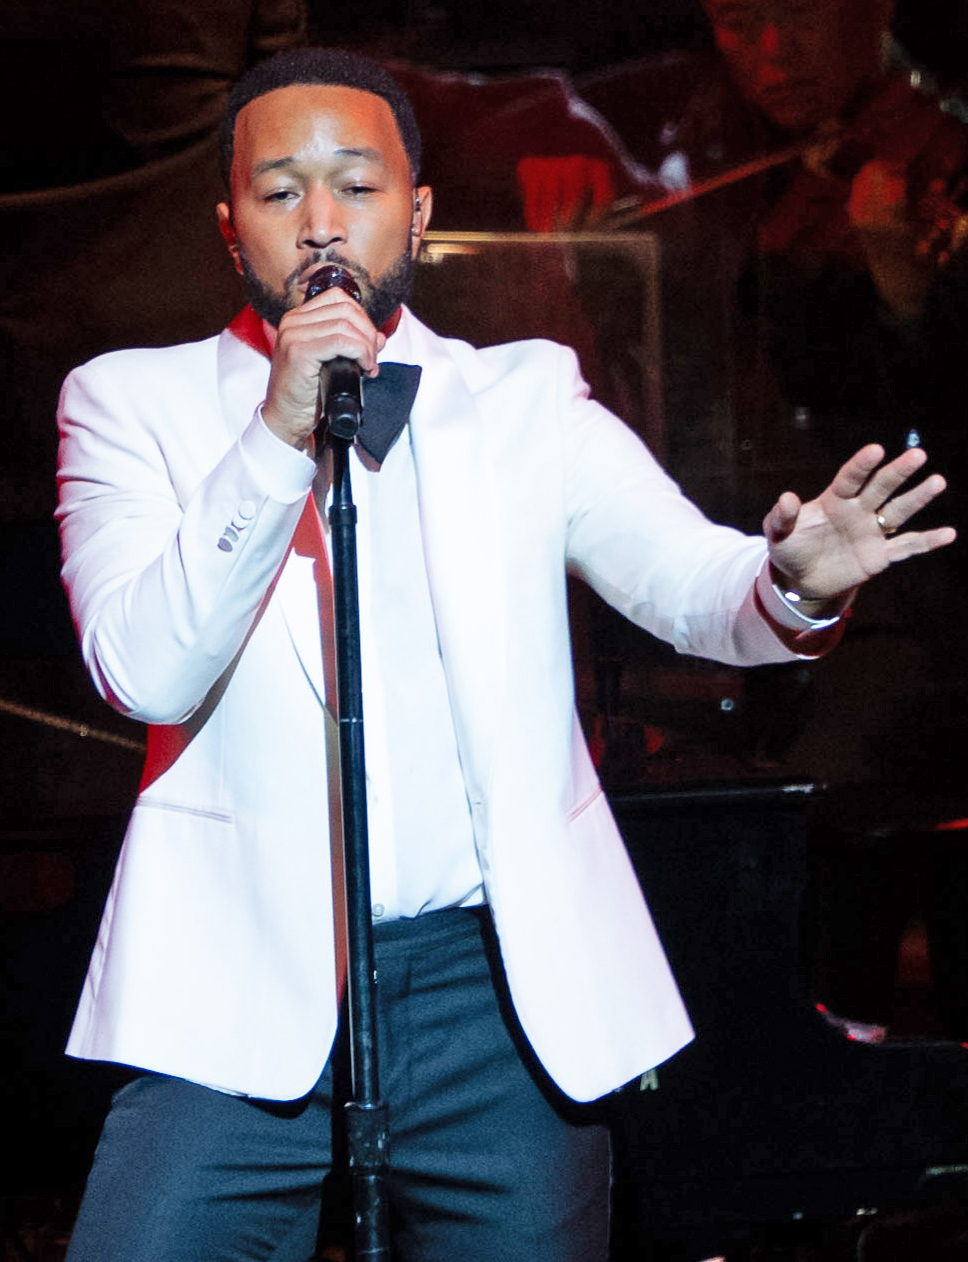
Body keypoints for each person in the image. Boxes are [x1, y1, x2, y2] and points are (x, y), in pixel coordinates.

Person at [56, 48, 953, 1261]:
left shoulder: (523, 397)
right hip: (230, 965)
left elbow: (694, 587)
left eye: (356, 185)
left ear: (416, 212)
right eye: (280, 193)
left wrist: (787, 577)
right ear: (231, 229)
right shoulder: (128, 404)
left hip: (490, 983)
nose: (321, 220)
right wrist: (274, 432)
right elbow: (144, 667)